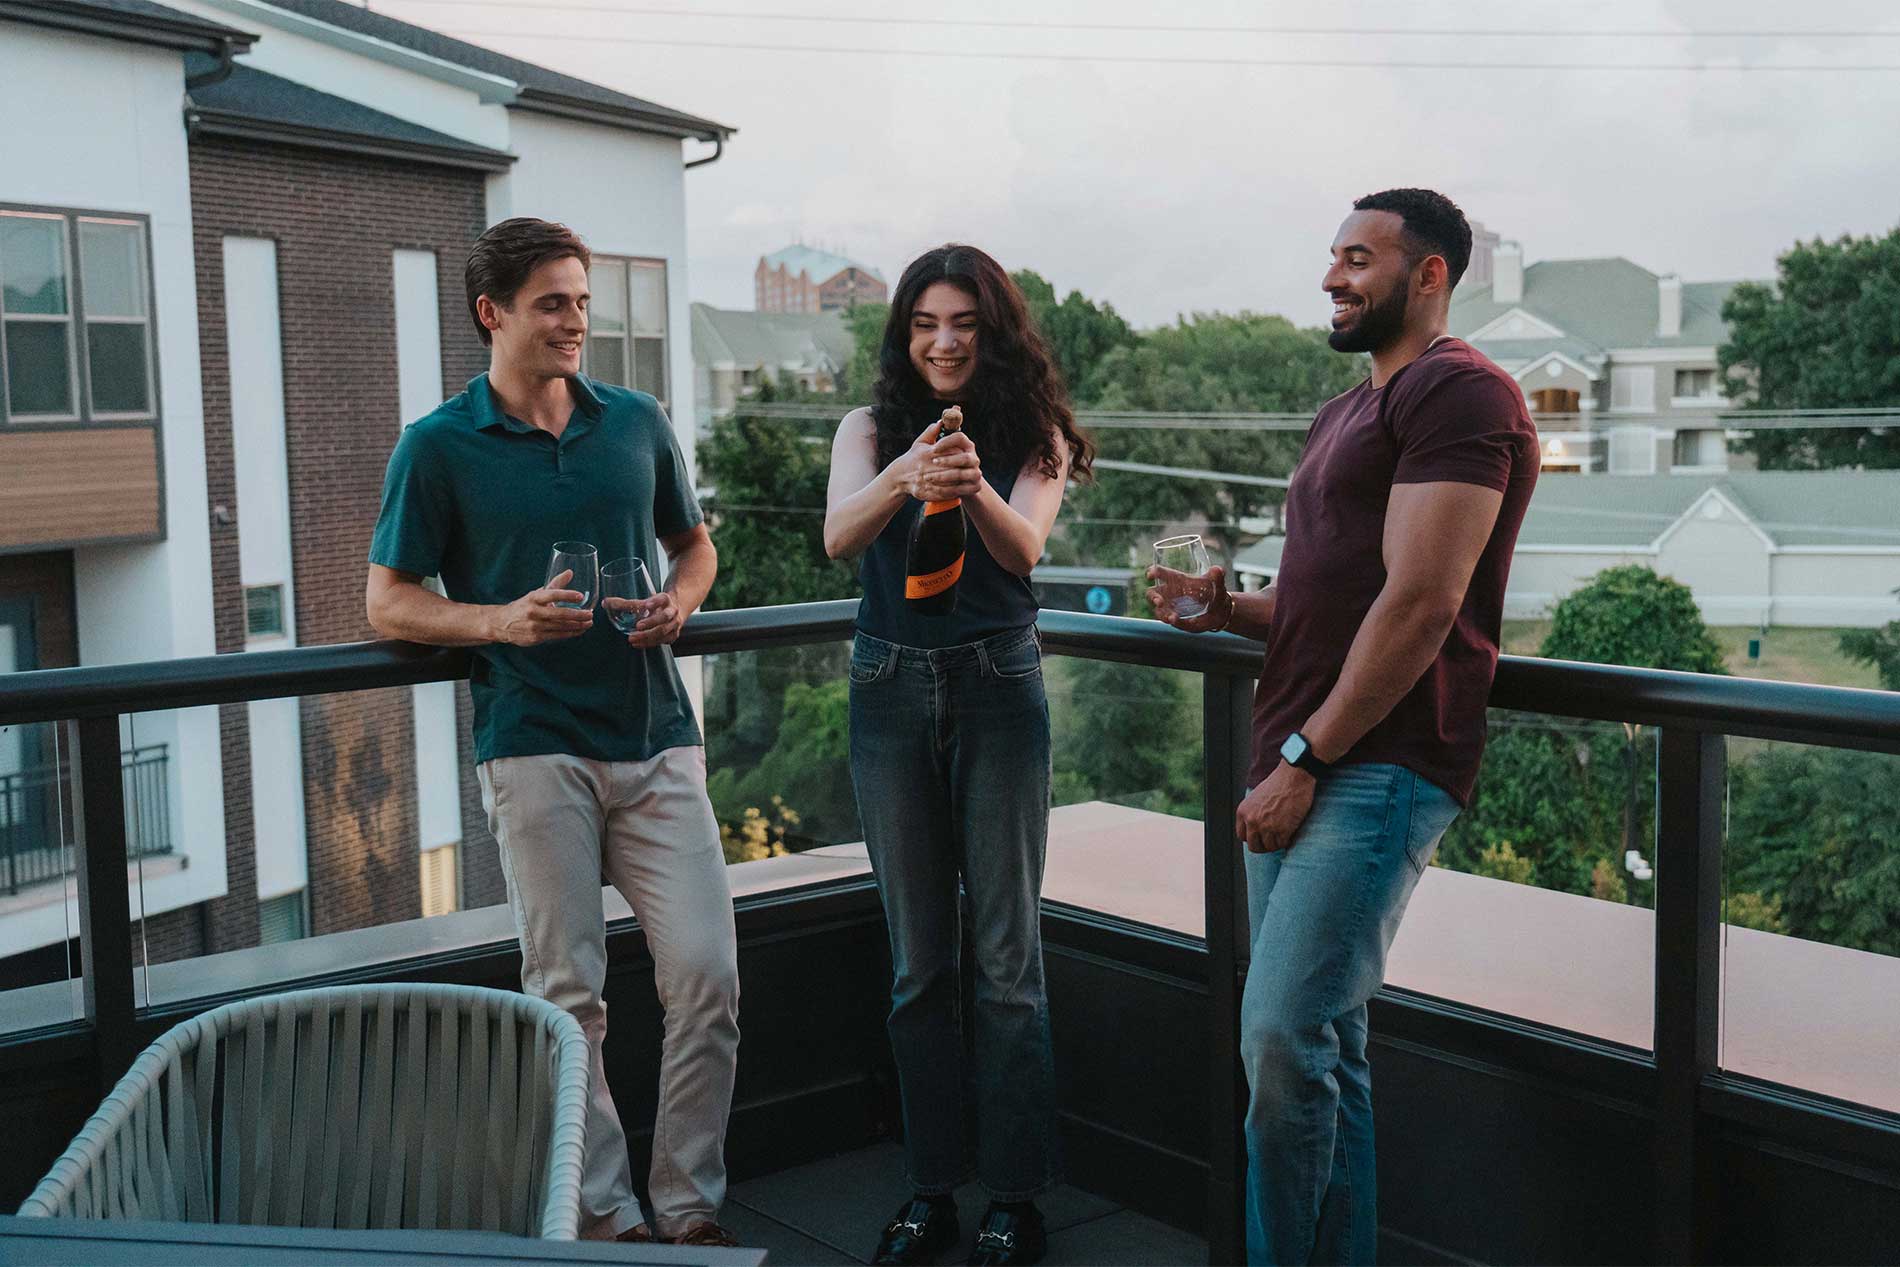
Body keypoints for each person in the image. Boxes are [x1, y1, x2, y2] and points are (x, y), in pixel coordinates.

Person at [1148, 189, 1539, 1265]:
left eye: (1358, 258)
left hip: (1374, 763)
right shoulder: (1342, 414)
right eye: (1331, 256)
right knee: (1328, 1044)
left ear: (1429, 276)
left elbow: (1421, 603)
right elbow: (1334, 601)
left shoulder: (1463, 394)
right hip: (1306, 752)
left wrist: (1303, 757)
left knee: (1277, 1035)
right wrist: (1224, 608)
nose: (1331, 276)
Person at [365, 217, 740, 1248]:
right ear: (493, 312)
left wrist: (682, 602)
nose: (576, 321)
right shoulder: (437, 445)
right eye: (553, 303)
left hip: (658, 734)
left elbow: (694, 545)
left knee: (707, 975)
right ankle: (605, 1217)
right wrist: (497, 620)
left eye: (581, 300)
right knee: (570, 995)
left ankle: (689, 1201)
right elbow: (388, 602)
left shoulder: (635, 420)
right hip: (533, 743)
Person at [823, 245, 1094, 1267]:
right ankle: (931, 1188)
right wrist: (906, 471)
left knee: (1006, 963)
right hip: (887, 685)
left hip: (995, 684)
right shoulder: (866, 427)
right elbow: (839, 538)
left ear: (994, 332)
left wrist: (971, 484)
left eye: (964, 324)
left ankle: (1015, 1199)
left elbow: (1024, 549)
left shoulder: (1040, 435)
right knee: (917, 964)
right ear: (903, 331)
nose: (943, 341)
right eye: (926, 322)